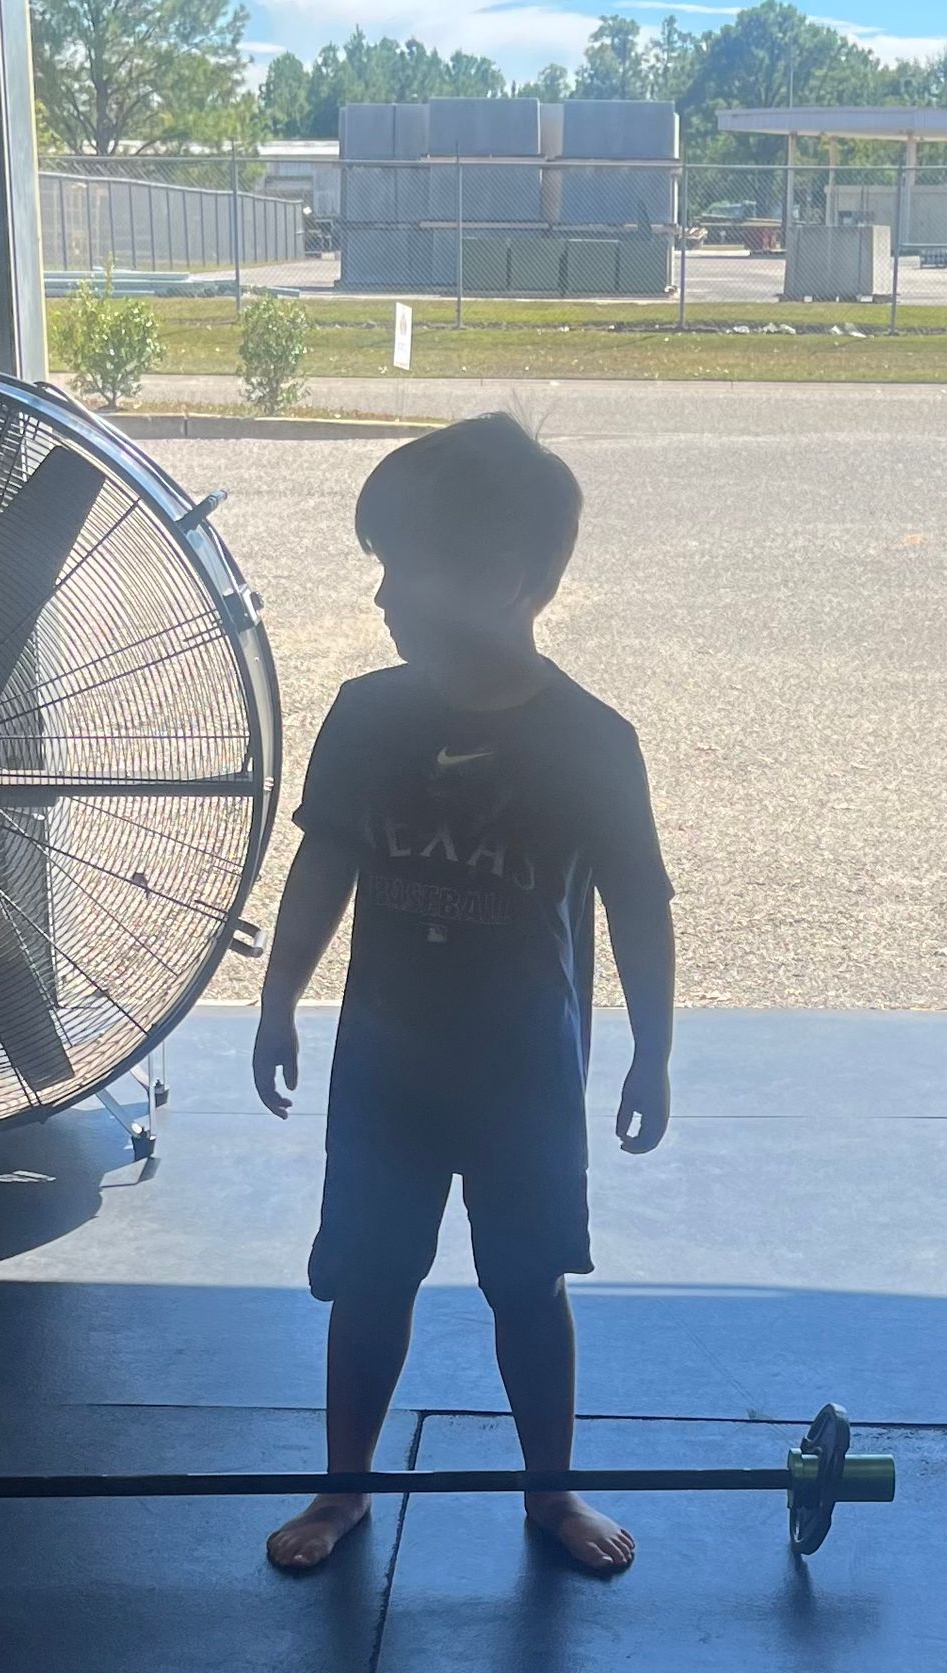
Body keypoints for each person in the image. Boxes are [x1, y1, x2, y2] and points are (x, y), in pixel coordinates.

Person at [252, 413, 675, 1575]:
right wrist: (281, 997)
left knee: (526, 1286)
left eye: (407, 565)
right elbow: (324, 861)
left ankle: (551, 1492)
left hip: (522, 1075)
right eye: (379, 563)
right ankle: (342, 1488)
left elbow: (640, 902)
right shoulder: (367, 713)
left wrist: (654, 1050)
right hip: (389, 1064)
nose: (384, 594)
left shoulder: (593, 740)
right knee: (371, 1281)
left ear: (515, 581)